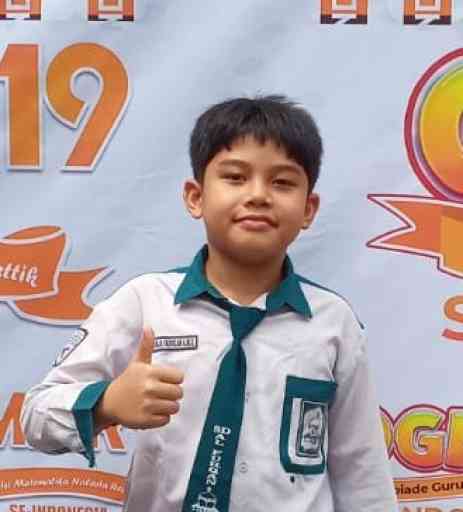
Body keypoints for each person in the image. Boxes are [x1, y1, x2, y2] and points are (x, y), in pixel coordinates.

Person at [21, 95, 398, 511]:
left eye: (282, 183)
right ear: (195, 197)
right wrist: (107, 403)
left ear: (308, 209)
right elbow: (36, 416)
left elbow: (362, 470)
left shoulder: (333, 323)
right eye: (235, 177)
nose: (258, 195)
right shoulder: (145, 303)